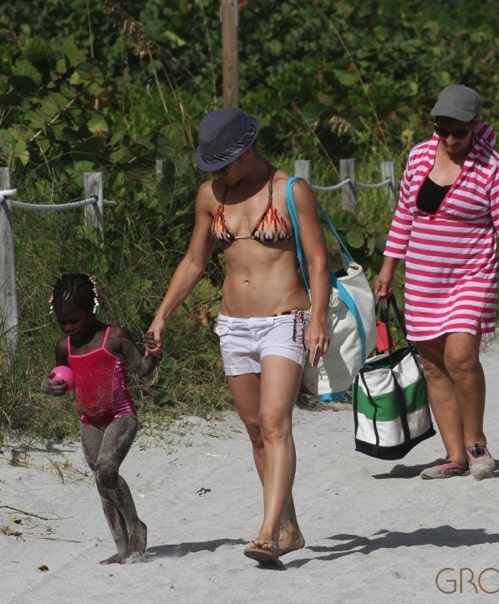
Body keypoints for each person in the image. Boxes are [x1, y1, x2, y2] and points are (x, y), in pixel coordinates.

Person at [145, 107, 331, 565]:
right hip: (233, 325)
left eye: (222, 163)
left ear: (247, 150)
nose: (217, 172)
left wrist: (319, 318)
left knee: (274, 422)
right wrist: (162, 314)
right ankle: (288, 525)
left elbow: (318, 260)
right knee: (254, 431)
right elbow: (194, 260)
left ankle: (266, 533)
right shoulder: (212, 195)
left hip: (284, 319)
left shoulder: (292, 191)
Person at [373, 84, 499, 481]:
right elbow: (403, 218)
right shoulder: (418, 157)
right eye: (442, 129)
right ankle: (454, 455)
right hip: (423, 278)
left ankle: (476, 442)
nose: (450, 139)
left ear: (475, 126)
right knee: (433, 365)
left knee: (461, 358)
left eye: (459, 132)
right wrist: (386, 270)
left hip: (471, 275)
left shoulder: (490, 166)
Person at [41, 273, 158, 564]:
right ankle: (121, 548)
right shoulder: (63, 348)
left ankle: (136, 528)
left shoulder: (115, 337)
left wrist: (154, 355)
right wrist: (50, 387)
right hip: (89, 421)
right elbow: (63, 382)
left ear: (92, 310)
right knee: (101, 480)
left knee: (107, 469)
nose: (68, 327)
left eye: (74, 320)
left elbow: (142, 370)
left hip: (120, 415)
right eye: (62, 321)